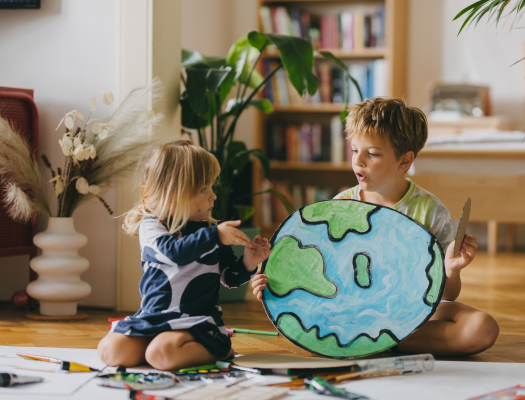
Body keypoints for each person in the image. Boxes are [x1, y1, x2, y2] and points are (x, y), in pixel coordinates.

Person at [251, 98, 499, 356]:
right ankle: (373, 341)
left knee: (481, 328)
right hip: (351, 309)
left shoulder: (430, 211)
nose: (359, 161)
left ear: (404, 161)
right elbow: (323, 280)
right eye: (355, 150)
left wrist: (452, 269)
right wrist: (272, 285)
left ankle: (377, 342)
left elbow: (446, 295)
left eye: (373, 154)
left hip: (414, 308)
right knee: (308, 324)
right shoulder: (341, 205)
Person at [98, 140, 271, 370]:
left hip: (195, 324)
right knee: (111, 351)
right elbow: (174, 253)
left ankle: (219, 347)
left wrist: (249, 262)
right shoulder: (152, 226)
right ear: (172, 194)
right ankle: (155, 349)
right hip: (153, 318)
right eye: (203, 189)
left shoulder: (210, 232)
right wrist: (216, 236)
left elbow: (229, 277)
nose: (213, 196)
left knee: (161, 354)